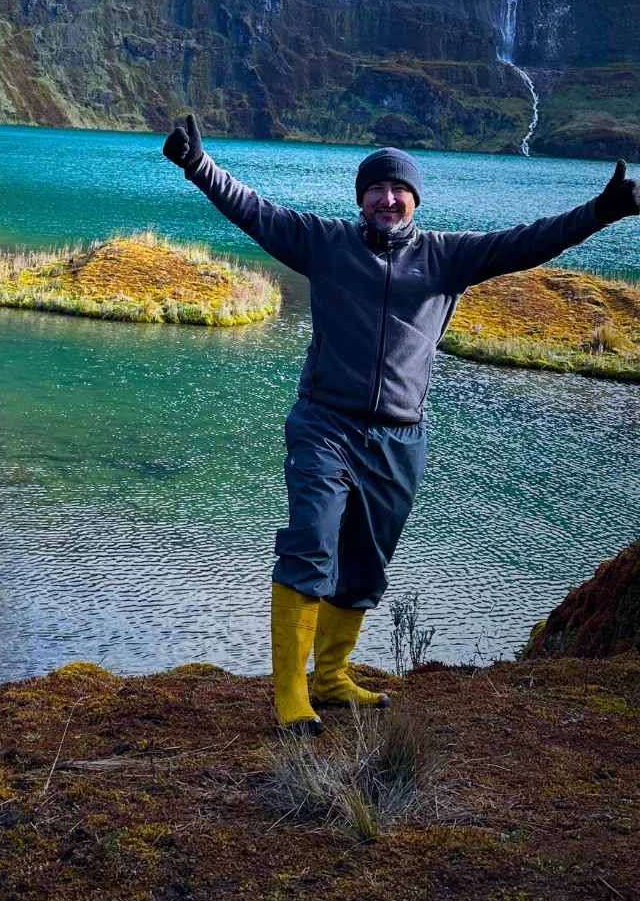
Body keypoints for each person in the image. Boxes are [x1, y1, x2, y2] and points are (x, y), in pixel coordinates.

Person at [162, 120, 640, 732]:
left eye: (399, 189)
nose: (387, 198)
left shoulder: (448, 257)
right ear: (359, 198)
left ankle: (331, 677)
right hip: (325, 424)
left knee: (364, 567)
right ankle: (290, 697)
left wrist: (601, 211)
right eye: (376, 189)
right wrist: (198, 166)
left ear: (415, 198)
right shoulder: (325, 243)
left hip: (398, 439)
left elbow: (530, 242)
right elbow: (257, 212)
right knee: (310, 543)